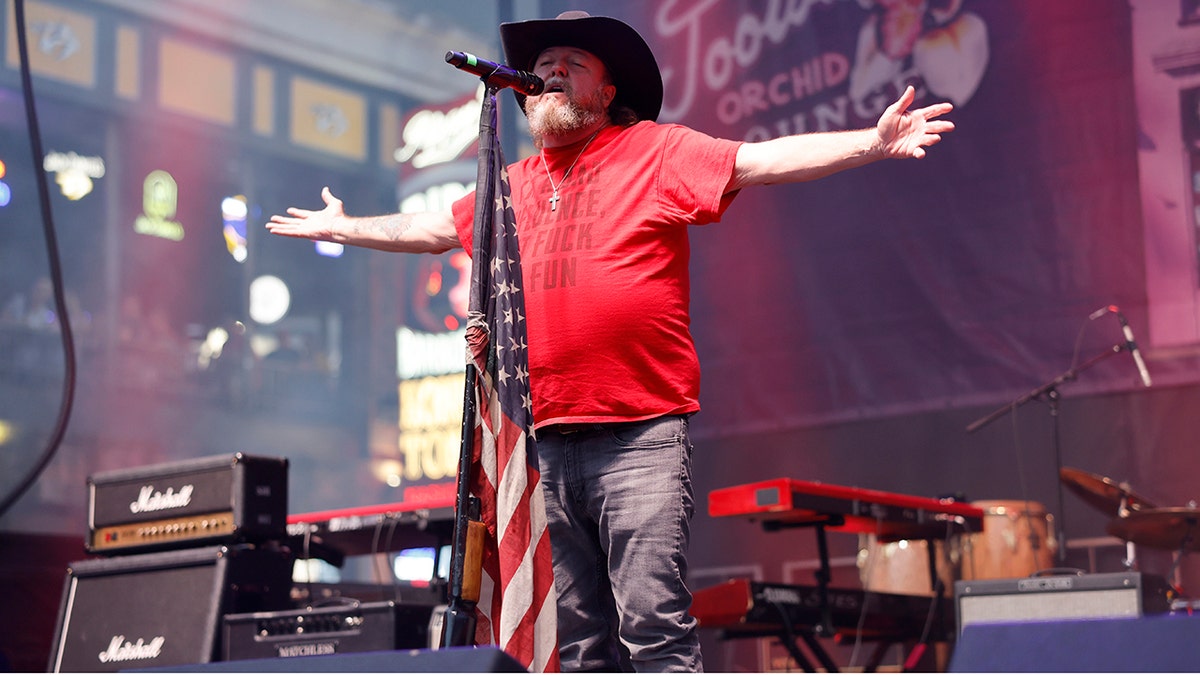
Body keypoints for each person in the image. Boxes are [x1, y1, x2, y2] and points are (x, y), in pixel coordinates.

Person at [269, 11, 954, 672]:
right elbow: (428, 229)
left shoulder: (655, 151)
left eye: (573, 65)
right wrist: (342, 226)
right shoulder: (510, 186)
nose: (553, 73)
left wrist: (872, 140)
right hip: (543, 440)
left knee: (653, 626)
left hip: (639, 436)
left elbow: (760, 159)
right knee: (580, 643)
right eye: (541, 66)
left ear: (608, 90)